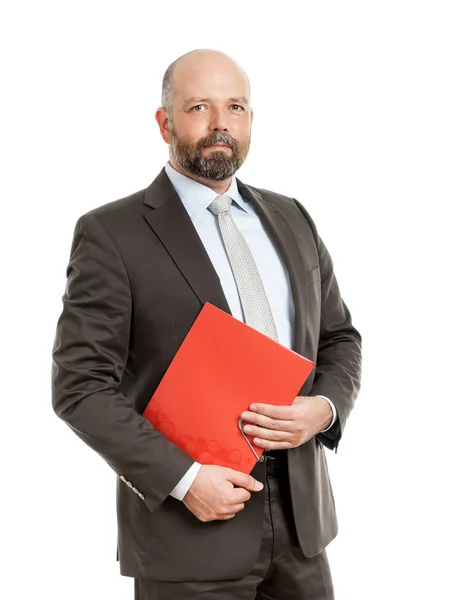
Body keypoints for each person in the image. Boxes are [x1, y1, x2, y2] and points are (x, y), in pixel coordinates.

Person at [51, 49, 362, 600]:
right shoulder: (111, 234)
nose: (221, 123)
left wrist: (325, 409)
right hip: (187, 538)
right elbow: (80, 388)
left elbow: (338, 339)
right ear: (165, 122)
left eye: (235, 107)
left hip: (303, 530)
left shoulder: (292, 217)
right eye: (200, 106)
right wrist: (185, 481)